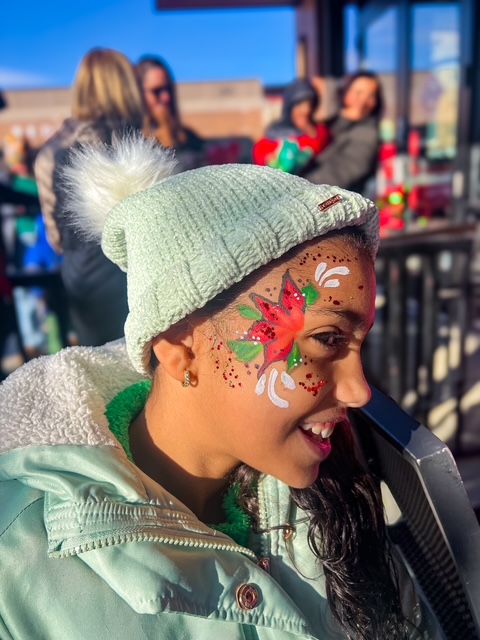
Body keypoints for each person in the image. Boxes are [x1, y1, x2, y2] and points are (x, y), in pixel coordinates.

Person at [0, 134, 437, 640]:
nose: (360, 391)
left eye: (358, 343)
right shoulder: (17, 572)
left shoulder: (337, 491)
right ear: (180, 345)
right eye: (324, 338)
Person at [34, 48, 145, 346]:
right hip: (125, 275)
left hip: (79, 277)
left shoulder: (48, 153)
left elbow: (55, 237)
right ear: (124, 87)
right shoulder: (127, 141)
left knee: (103, 373)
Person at [302, 71, 383, 194]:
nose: (358, 98)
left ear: (374, 102)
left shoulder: (368, 134)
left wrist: (299, 187)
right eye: (356, 91)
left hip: (332, 201)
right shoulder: (333, 124)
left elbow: (340, 174)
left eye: (366, 94)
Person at [136, 55, 205, 170]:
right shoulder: (133, 145)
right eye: (156, 91)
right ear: (139, 94)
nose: (166, 97)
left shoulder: (191, 139)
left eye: (168, 89)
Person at [253, 78, 331, 174]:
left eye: (310, 104)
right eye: (300, 104)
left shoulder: (319, 131)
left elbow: (321, 147)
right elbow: (260, 151)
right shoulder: (275, 131)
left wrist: (308, 128)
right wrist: (270, 160)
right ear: (290, 107)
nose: (306, 110)